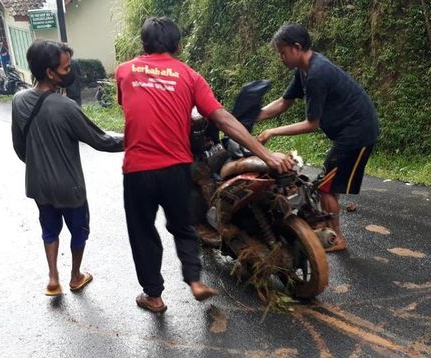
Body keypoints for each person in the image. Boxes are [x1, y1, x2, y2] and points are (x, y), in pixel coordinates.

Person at [116, 17, 294, 313]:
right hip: (175, 168)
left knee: (142, 231)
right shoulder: (189, 76)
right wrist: (266, 154)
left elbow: (134, 107)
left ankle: (154, 296)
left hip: (138, 169)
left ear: (143, 44)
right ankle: (195, 281)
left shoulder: (124, 71)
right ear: (178, 45)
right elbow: (222, 118)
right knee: (184, 226)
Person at [11, 40, 124, 296]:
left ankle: (53, 278)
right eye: (65, 68)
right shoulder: (66, 107)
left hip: (38, 185)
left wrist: (40, 166)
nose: (70, 71)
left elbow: (20, 148)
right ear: (50, 73)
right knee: (79, 231)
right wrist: (137, 139)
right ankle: (75, 276)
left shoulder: (18, 101)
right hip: (69, 187)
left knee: (49, 229)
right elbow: (101, 141)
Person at [256, 23, 379, 252]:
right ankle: (327, 229)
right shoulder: (303, 71)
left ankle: (337, 238)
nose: (281, 57)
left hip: (358, 131)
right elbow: (284, 103)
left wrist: (272, 131)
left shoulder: (316, 73)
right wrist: (253, 116)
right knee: (327, 182)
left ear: (297, 47)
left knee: (326, 185)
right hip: (349, 131)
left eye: (283, 52)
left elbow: (313, 124)